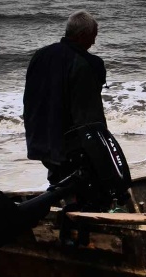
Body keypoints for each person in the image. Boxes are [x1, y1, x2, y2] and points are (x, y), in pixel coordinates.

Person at [23, 10, 107, 184]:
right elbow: (89, 115)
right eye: (93, 36)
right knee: (85, 185)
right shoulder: (85, 64)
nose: (94, 41)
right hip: (67, 144)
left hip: (39, 137)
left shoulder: (40, 55)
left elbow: (31, 97)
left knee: (59, 180)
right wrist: (101, 146)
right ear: (83, 36)